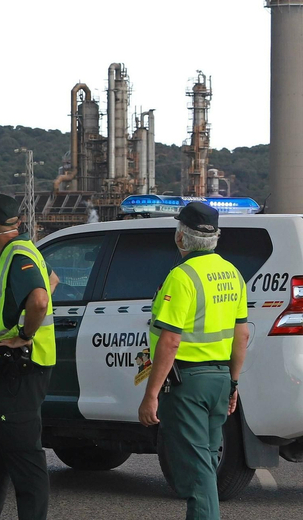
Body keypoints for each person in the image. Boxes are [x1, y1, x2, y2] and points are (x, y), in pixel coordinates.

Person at [137, 202, 250, 520]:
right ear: (215, 237)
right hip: (219, 381)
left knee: (196, 472)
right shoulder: (233, 273)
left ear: (181, 237)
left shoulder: (182, 276)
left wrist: (151, 394)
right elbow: (242, 337)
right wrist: (233, 383)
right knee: (206, 464)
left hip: (188, 385)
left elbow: (170, 340)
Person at [0, 193, 54, 520]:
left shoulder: (17, 255)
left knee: (26, 463)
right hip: (5, 373)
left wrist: (25, 335)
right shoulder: (23, 251)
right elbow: (53, 281)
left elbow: (41, 299)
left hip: (19, 372)